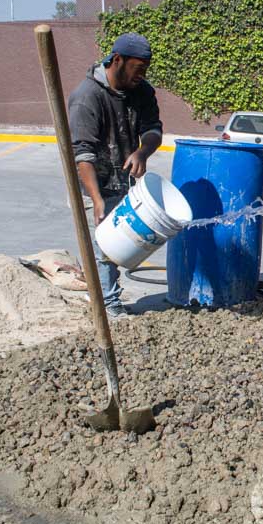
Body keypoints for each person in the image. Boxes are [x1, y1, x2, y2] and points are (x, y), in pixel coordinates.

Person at [68, 32, 163, 319]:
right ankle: (108, 308)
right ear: (118, 60)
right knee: (103, 247)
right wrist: (96, 199)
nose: (142, 75)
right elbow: (82, 154)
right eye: (138, 68)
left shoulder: (142, 91)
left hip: (123, 181)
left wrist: (142, 152)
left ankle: (103, 296)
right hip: (92, 182)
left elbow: (153, 129)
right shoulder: (87, 97)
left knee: (120, 244)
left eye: (146, 69)